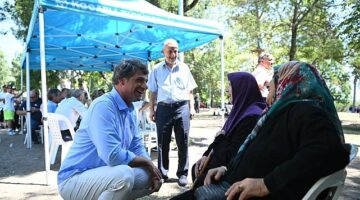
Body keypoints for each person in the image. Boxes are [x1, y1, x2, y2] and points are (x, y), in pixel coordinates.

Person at [181, 61, 350, 200]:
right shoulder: (282, 113)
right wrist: (227, 169)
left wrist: (265, 185)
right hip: (233, 185)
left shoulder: (307, 112)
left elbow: (328, 152)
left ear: (287, 83)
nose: (268, 91)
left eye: (271, 85)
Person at [57, 59, 162, 200]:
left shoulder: (130, 110)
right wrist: (147, 162)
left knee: (150, 176)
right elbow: (112, 156)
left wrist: (151, 168)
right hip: (74, 179)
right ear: (122, 81)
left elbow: (137, 146)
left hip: (104, 175)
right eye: (139, 80)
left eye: (145, 81)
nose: (145, 86)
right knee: (124, 176)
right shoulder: (103, 106)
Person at [171, 72, 266, 199]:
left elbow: (232, 152)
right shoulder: (239, 111)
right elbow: (221, 138)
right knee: (197, 168)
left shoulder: (251, 117)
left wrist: (219, 138)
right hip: (219, 165)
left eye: (231, 86)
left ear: (242, 88)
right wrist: (206, 155)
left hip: (227, 173)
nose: (228, 90)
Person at [148, 38, 197, 187]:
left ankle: (182, 173)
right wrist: (152, 109)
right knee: (163, 142)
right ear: (163, 52)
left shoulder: (184, 68)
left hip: (181, 107)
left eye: (175, 50)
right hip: (163, 108)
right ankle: (163, 173)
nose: (173, 53)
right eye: (170, 50)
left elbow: (190, 90)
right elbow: (153, 92)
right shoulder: (156, 69)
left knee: (183, 141)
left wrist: (192, 107)